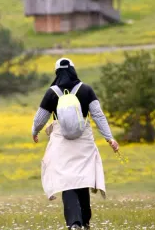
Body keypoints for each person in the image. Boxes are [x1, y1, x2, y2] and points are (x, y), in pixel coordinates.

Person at [32, 58, 119, 230]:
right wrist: (110, 138)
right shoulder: (86, 90)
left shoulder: (52, 92)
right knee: (82, 179)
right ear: (73, 70)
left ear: (57, 72)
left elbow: (40, 118)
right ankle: (85, 222)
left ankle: (74, 223)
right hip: (83, 142)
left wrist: (35, 131)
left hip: (61, 143)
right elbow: (98, 115)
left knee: (67, 182)